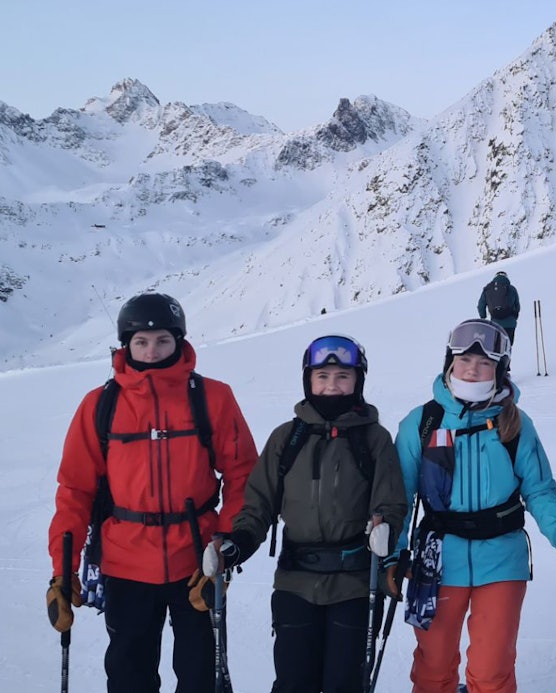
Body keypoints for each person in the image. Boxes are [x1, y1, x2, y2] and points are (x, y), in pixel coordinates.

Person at [46, 292, 258, 693]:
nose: (151, 350)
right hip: (125, 563)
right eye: (140, 342)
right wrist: (63, 569)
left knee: (204, 678)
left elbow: (243, 475)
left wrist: (227, 547)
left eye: (162, 339)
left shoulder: (212, 397)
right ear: (126, 345)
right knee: (130, 677)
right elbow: (75, 490)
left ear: (179, 340)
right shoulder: (100, 405)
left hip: (197, 562)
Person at [391, 318, 556, 693]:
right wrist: (393, 554)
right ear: (449, 363)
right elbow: (400, 497)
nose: (472, 368)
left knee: (491, 671)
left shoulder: (514, 425)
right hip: (438, 561)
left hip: (502, 558)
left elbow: (539, 490)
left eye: (484, 363)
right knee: (433, 669)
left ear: (499, 371)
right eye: (464, 359)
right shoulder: (422, 423)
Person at [202, 334, 407, 693]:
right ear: (308, 380)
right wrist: (238, 543)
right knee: (294, 682)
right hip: (295, 582)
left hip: (354, 584)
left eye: (343, 376)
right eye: (322, 377)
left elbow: (390, 501)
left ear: (358, 380)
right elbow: (259, 504)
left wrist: (384, 528)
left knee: (343, 683)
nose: (332, 386)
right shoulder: (287, 439)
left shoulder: (374, 439)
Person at [477, 271, 521, 344]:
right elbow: (517, 306)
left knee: (496, 347)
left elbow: (481, 305)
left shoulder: (488, 289)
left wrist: (483, 316)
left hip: (495, 323)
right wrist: (514, 317)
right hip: (510, 324)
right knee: (508, 346)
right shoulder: (512, 289)